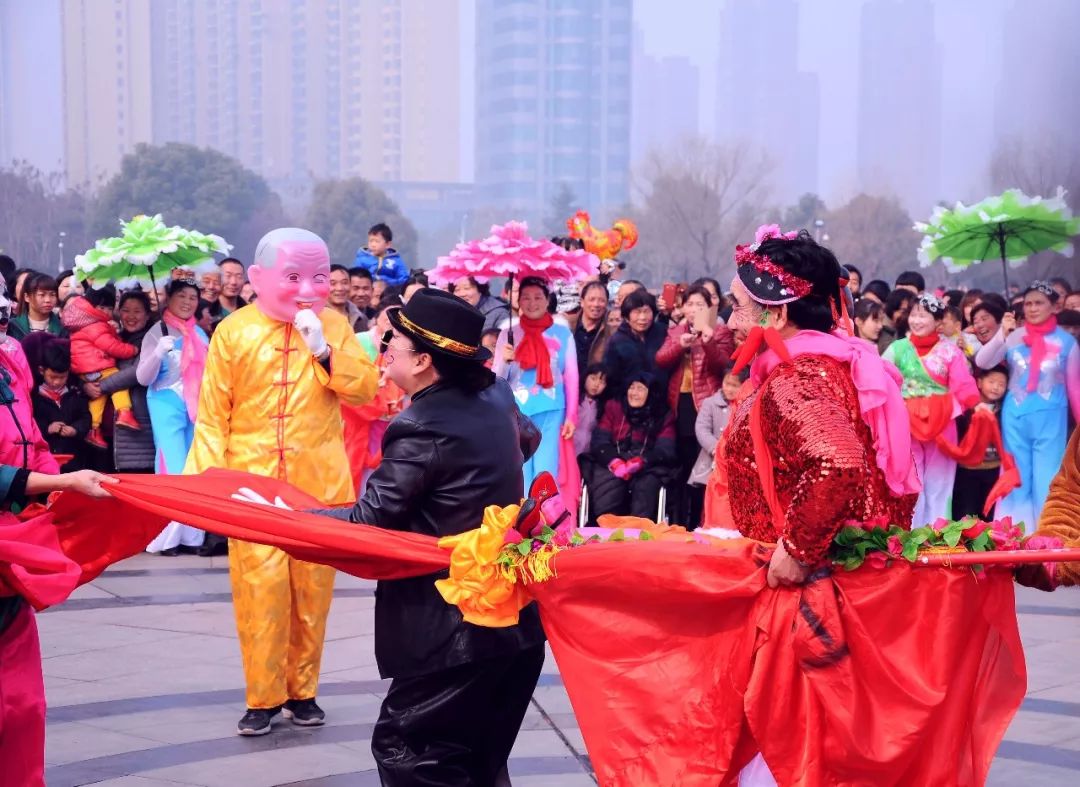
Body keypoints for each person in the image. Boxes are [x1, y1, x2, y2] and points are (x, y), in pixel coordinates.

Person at [301, 287, 545, 785]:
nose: (383, 347)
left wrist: (293, 517)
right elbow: (527, 439)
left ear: (426, 361)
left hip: (452, 628)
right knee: (477, 760)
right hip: (511, 620)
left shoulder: (421, 424)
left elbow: (370, 519)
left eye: (394, 341)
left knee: (410, 751)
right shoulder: (494, 393)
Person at [184, 228, 378, 735]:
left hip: (319, 483)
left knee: (312, 590)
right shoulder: (235, 331)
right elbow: (212, 415)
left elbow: (364, 392)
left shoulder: (334, 325)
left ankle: (304, 691)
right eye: (293, 277)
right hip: (253, 484)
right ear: (257, 278)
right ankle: (262, 696)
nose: (307, 289)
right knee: (260, 588)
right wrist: (204, 486)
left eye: (318, 276)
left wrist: (326, 355)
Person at [723, 226, 918, 587]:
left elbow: (838, 461)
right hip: (840, 579)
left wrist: (798, 550)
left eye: (738, 306)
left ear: (778, 315)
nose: (731, 320)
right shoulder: (832, 364)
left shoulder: (797, 378)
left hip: (811, 591)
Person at [0, 465, 116, 786]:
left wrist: (62, 489)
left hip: (12, 558)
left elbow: (34, 450)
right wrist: (66, 481)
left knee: (24, 710)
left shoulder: (21, 410)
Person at [975, 281, 1080, 527]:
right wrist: (1002, 332)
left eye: (1039, 303)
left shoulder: (1067, 342)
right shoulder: (1015, 337)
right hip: (1015, 417)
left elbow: (1075, 387)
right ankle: (1014, 536)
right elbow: (983, 360)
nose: (1032, 308)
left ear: (1054, 306)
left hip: (1051, 417)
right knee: (1015, 478)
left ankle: (1047, 536)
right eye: (1028, 303)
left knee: (1047, 476)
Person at [883, 294, 983, 526]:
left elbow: (964, 388)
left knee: (940, 481)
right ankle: (911, 532)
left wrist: (972, 406)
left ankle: (938, 534)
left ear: (938, 323)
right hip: (906, 424)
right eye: (914, 315)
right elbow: (882, 380)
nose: (917, 320)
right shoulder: (897, 349)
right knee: (911, 479)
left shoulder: (950, 352)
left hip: (942, 422)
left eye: (923, 316)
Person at [136, 277, 211, 555]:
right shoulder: (158, 331)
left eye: (193, 297)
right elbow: (144, 377)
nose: (188, 302)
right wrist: (158, 352)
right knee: (173, 468)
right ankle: (166, 535)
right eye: (182, 296)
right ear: (169, 298)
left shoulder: (200, 334)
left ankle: (191, 536)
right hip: (166, 401)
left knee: (195, 470)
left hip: (197, 407)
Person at [654, 284, 734, 527]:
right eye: (690, 304)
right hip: (679, 404)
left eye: (700, 305)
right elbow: (660, 359)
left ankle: (701, 521)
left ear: (709, 307)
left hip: (705, 404)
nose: (694, 309)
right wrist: (681, 344)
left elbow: (723, 364)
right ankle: (678, 522)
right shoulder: (676, 331)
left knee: (703, 468)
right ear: (682, 306)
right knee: (680, 466)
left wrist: (707, 341)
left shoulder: (719, 331)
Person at [493, 277, 578, 500]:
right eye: (526, 298)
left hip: (551, 409)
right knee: (519, 471)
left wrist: (571, 416)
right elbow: (496, 379)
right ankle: (521, 523)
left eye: (538, 297)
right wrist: (505, 360)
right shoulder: (508, 334)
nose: (532, 303)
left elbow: (571, 377)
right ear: (518, 301)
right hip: (516, 412)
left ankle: (546, 525)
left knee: (546, 470)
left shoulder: (562, 334)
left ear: (548, 300)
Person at [586, 372, 677, 523]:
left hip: (647, 463)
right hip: (615, 457)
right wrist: (613, 462)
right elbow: (599, 441)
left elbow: (666, 449)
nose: (634, 393)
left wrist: (641, 462)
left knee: (646, 486)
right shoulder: (614, 407)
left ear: (651, 393)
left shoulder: (662, 415)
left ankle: (637, 534)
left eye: (640, 389)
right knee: (607, 483)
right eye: (631, 387)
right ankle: (605, 527)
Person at [60, 284, 139, 449]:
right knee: (117, 382)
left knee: (98, 397)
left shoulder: (81, 322)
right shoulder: (96, 325)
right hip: (97, 366)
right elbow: (112, 346)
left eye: (111, 308)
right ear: (97, 307)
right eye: (107, 308)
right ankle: (124, 412)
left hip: (84, 371)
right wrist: (132, 350)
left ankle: (94, 430)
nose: (109, 313)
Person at [0, 281, 60, 480]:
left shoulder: (11, 358)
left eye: (4, 294)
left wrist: (55, 483)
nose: (3, 304)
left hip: (17, 502)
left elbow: (32, 437)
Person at [95, 291, 156, 475]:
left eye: (137, 311)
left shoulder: (152, 339)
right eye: (126, 310)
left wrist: (101, 387)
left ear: (147, 314)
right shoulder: (113, 338)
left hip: (137, 423)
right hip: (108, 425)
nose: (131, 316)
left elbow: (137, 372)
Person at [952, 365, 1008, 520]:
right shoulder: (966, 410)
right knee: (965, 514)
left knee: (988, 515)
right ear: (979, 382)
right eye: (992, 382)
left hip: (992, 470)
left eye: (1002, 384)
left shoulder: (1004, 411)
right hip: (967, 471)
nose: (996, 387)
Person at [31, 341, 90, 472]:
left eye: (62, 377)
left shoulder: (76, 394)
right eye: (52, 377)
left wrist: (75, 430)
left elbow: (85, 418)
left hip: (73, 459)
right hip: (44, 459)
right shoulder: (34, 397)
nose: (57, 382)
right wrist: (47, 429)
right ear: (42, 370)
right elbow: (29, 423)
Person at [602, 288, 667, 395]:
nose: (642, 317)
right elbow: (611, 377)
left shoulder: (662, 332)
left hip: (661, 402)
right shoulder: (617, 341)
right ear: (626, 317)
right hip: (628, 402)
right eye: (637, 312)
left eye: (646, 311)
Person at [9, 274, 66, 340]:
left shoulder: (63, 327)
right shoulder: (13, 326)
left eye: (52, 295)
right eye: (42, 295)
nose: (48, 300)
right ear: (27, 297)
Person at [353, 222, 408, 288]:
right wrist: (374, 279)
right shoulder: (362, 259)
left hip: (389, 293)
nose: (373, 245)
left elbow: (404, 279)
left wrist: (386, 281)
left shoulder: (396, 261)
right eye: (371, 241)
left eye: (377, 241)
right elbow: (356, 277)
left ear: (388, 244)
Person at [574, 363, 608, 456]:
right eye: (593, 378)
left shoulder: (602, 406)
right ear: (585, 377)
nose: (596, 384)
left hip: (587, 452)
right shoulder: (573, 399)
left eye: (602, 382)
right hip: (569, 448)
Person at [326, 264, 368, 331]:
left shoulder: (360, 318)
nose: (340, 288)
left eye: (344, 283)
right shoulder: (316, 316)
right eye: (333, 283)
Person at [211, 257, 248, 323]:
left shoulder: (249, 311)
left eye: (239, 277)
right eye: (228, 276)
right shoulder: (206, 311)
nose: (233, 282)